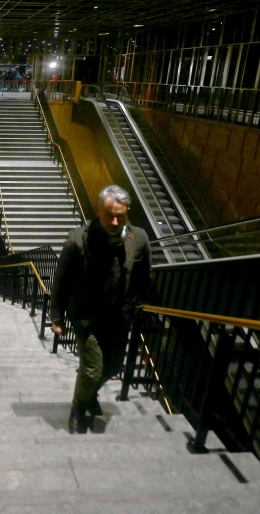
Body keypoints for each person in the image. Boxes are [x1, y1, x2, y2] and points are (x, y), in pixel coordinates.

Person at [51, 185, 152, 433]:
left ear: (128, 212)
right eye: (109, 214)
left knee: (113, 366)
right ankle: (77, 408)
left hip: (118, 316)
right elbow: (61, 279)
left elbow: (144, 276)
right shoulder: (78, 239)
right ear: (98, 209)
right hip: (86, 316)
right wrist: (57, 315)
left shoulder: (138, 239)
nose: (115, 221)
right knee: (92, 367)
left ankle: (90, 395)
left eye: (121, 215)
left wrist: (137, 307)